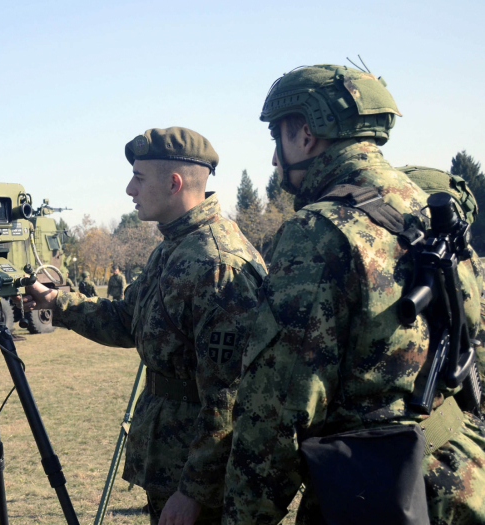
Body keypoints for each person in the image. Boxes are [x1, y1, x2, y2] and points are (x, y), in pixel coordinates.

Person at [222, 64, 485, 524]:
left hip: (375, 493)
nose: (273, 159)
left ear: (304, 134)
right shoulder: (429, 203)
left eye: (277, 138)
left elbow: (278, 411)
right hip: (461, 474)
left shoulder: (317, 232)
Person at [24, 127, 266, 525]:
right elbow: (126, 320)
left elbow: (230, 395)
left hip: (202, 477)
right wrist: (55, 301)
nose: (128, 189)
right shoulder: (172, 250)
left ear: (173, 184)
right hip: (170, 460)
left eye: (138, 177)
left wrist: (194, 491)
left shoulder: (218, 262)